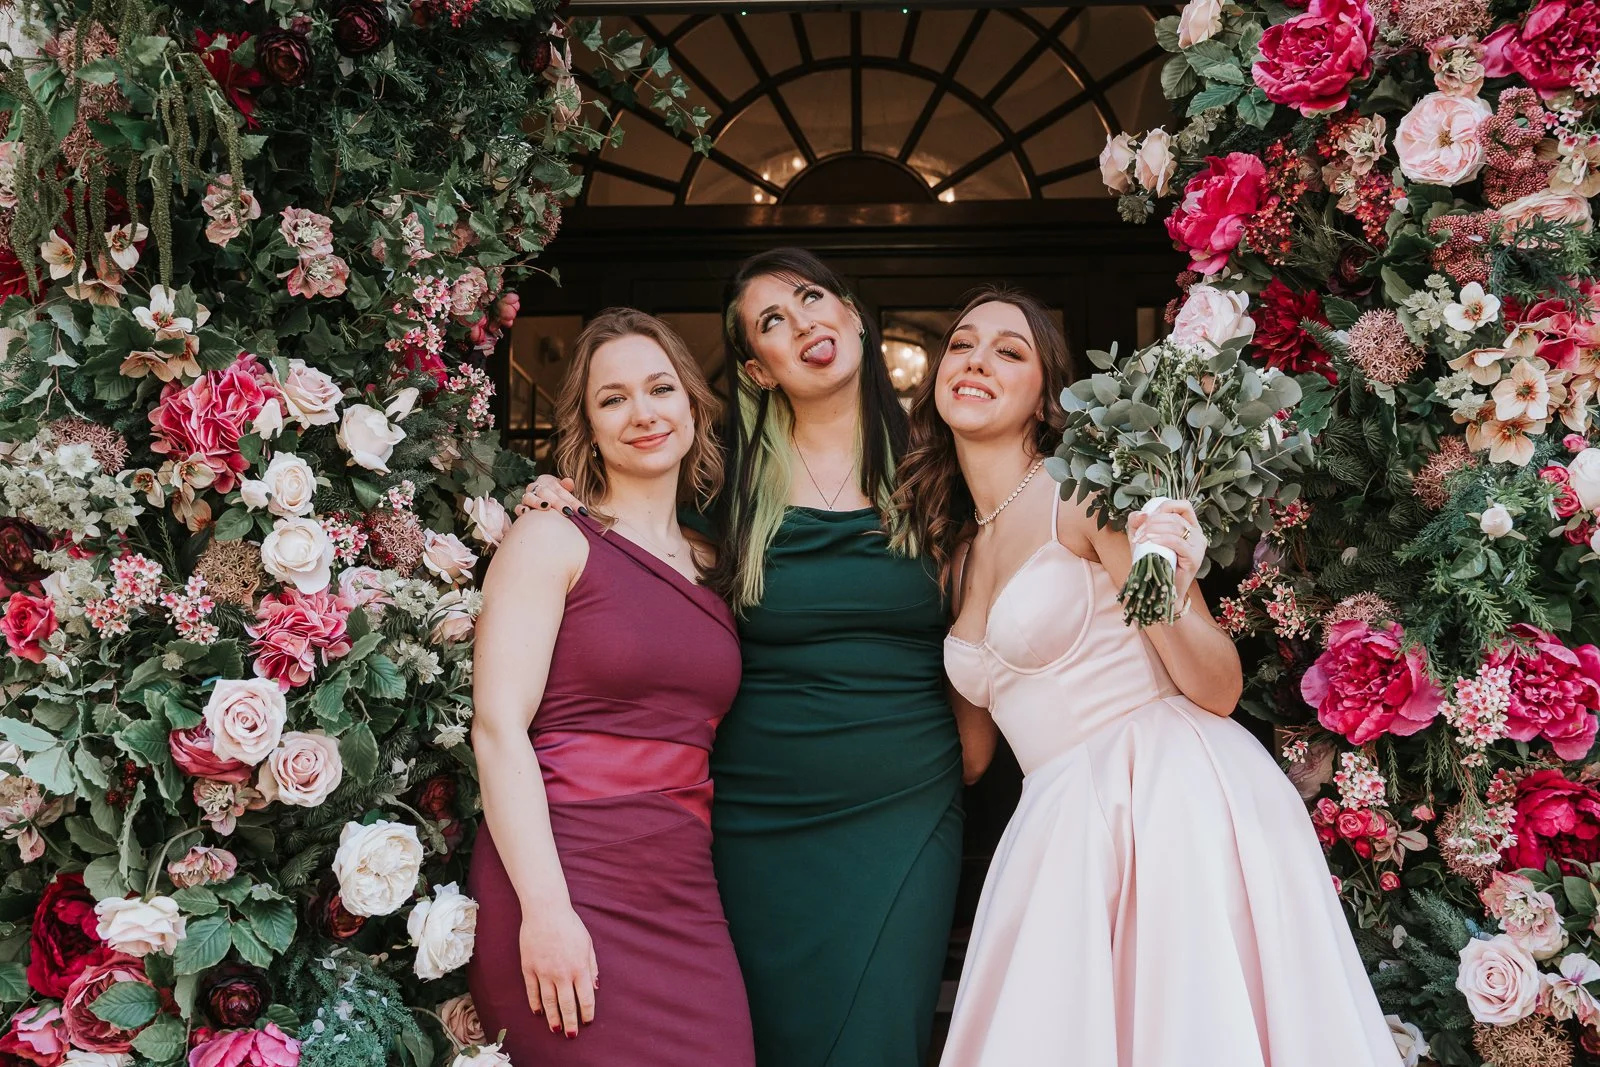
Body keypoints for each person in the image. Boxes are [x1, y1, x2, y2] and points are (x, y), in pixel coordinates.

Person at [894, 289, 1401, 1067]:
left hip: (1161, 794)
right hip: (1055, 820)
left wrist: (1162, 575)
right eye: (962, 344)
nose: (977, 360)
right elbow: (971, 756)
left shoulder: (1087, 496)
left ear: (1045, 394)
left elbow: (1219, 686)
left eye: (1009, 350)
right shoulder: (955, 554)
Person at [522, 249, 973, 1067]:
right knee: (765, 1036)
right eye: (772, 321)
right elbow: (635, 549)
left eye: (811, 297)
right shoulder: (721, 483)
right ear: (758, 370)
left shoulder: (939, 466)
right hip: (756, 815)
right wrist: (560, 502)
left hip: (904, 804)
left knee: (879, 1036)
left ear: (853, 315)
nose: (802, 323)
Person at [470, 308, 755, 1066]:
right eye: (614, 398)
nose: (643, 413)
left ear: (692, 404)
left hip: (682, 887)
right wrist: (546, 912)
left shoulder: (715, 562)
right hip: (564, 879)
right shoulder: (551, 538)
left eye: (660, 388)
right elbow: (497, 728)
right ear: (588, 427)